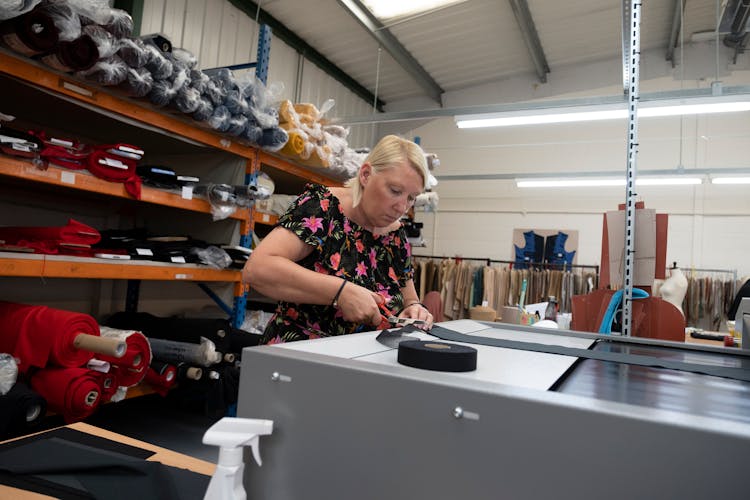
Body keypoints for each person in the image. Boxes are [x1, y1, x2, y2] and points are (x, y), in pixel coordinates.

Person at [243, 135, 434, 344]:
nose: (402, 208)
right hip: (300, 357)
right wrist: (340, 292)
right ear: (366, 175)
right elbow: (258, 269)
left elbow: (409, 299)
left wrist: (415, 309)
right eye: (395, 191)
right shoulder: (323, 208)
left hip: (364, 360)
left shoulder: (395, 236)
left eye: (411, 198)